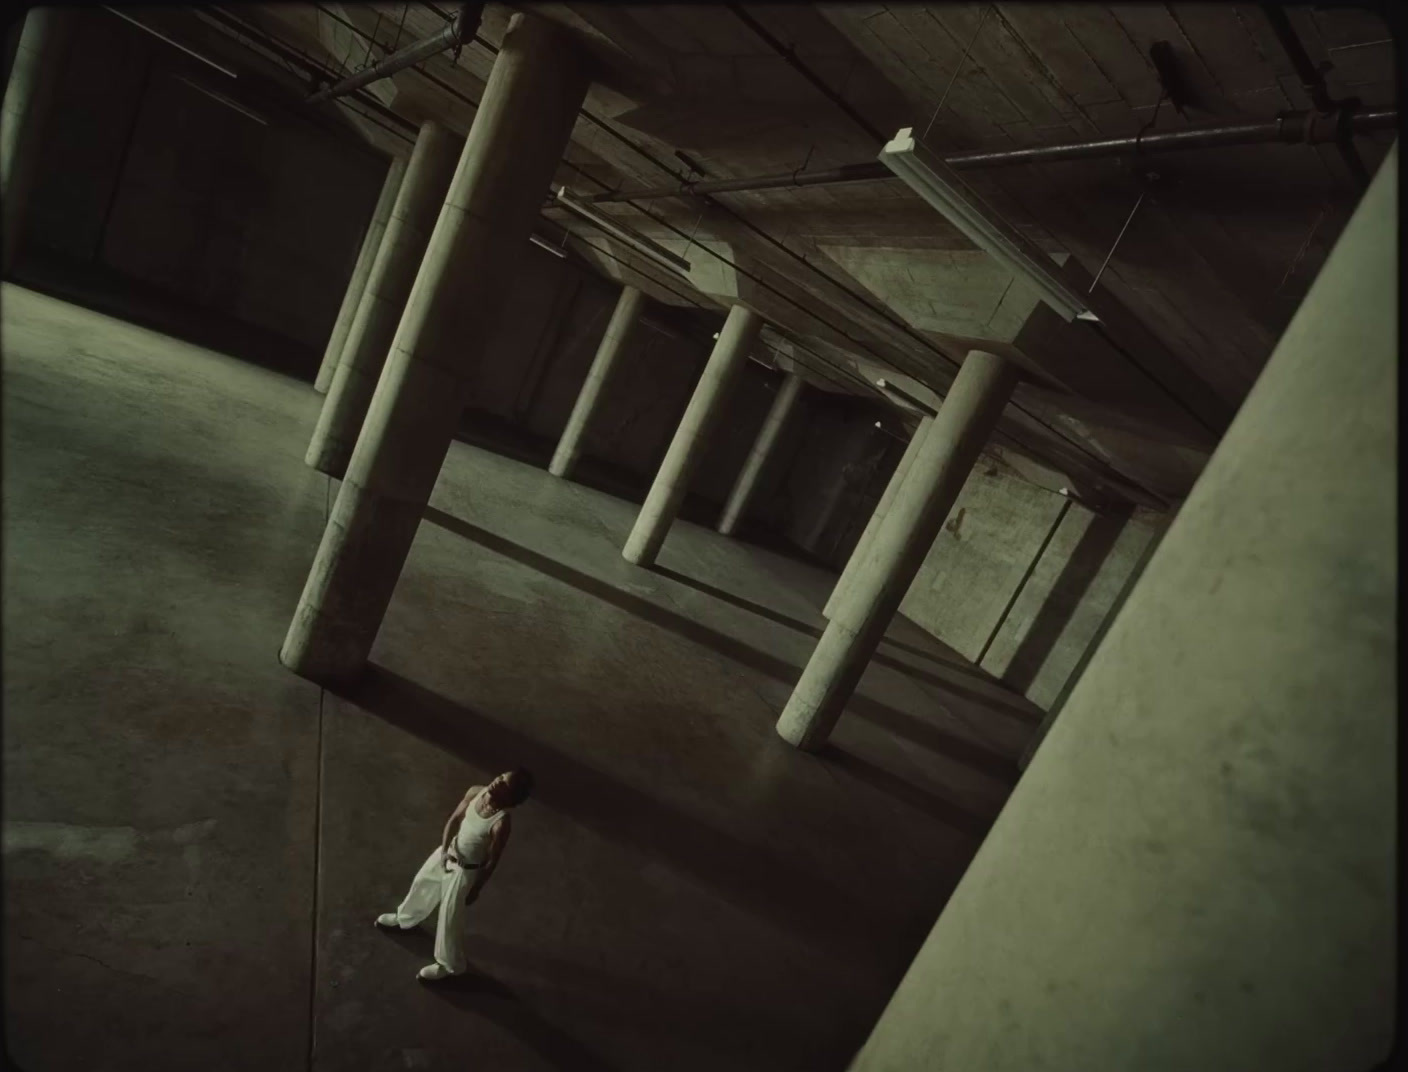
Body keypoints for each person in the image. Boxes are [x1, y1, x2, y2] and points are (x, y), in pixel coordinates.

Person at [375, 768, 534, 982]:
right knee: (422, 883)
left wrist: (476, 889)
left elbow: (492, 861)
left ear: (511, 797)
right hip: (447, 853)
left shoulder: (501, 823)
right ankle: (405, 919)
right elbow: (453, 820)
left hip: (465, 873)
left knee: (449, 918)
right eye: (500, 777)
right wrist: (442, 853)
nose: (497, 782)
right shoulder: (475, 792)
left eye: (505, 784)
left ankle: (451, 966)